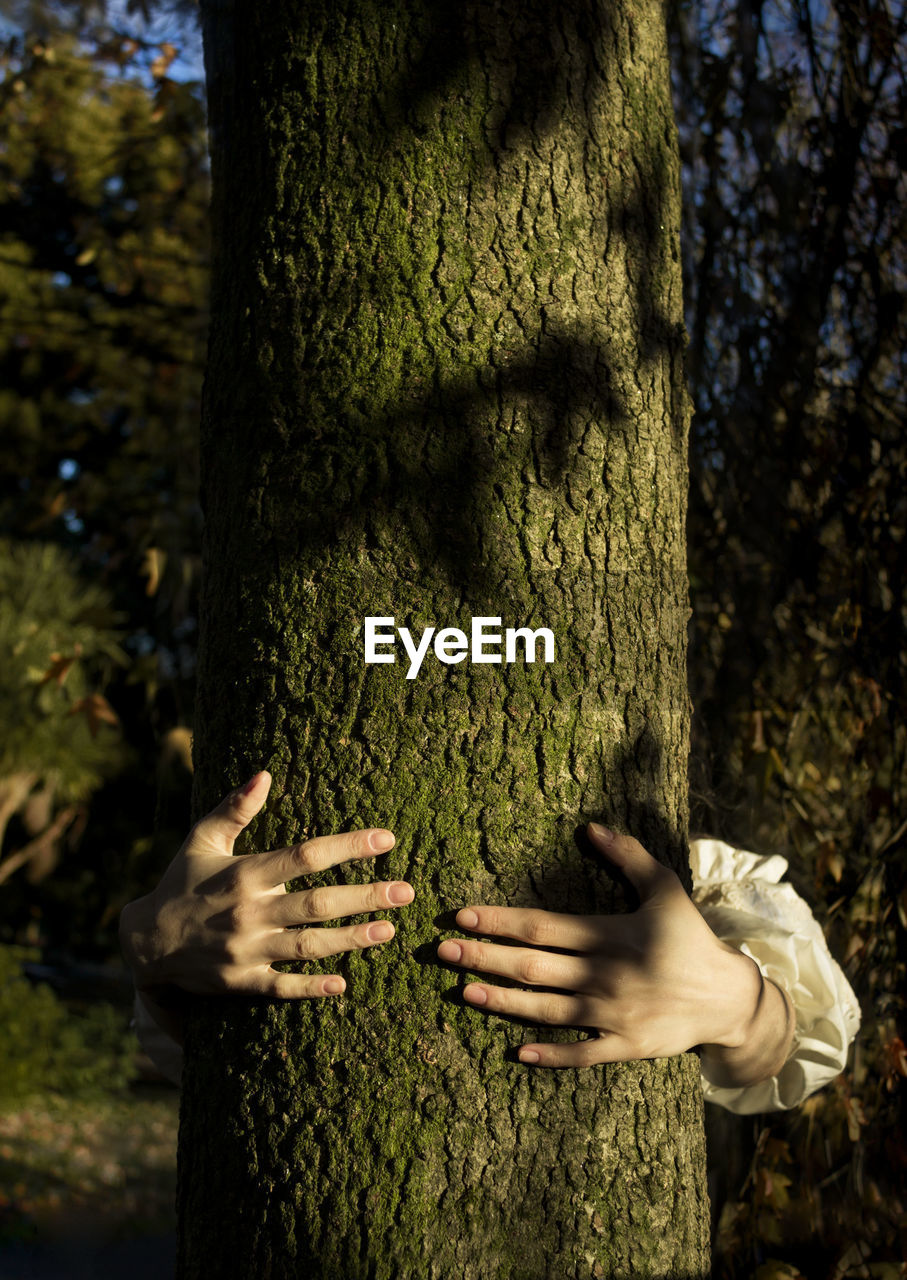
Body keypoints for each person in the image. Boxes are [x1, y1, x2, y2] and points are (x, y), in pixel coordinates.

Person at [120, 771, 860, 1112]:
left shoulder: (695, 877)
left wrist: (738, 1003)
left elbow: (804, 1048)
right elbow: (212, 1077)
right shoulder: (217, 886)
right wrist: (151, 952)